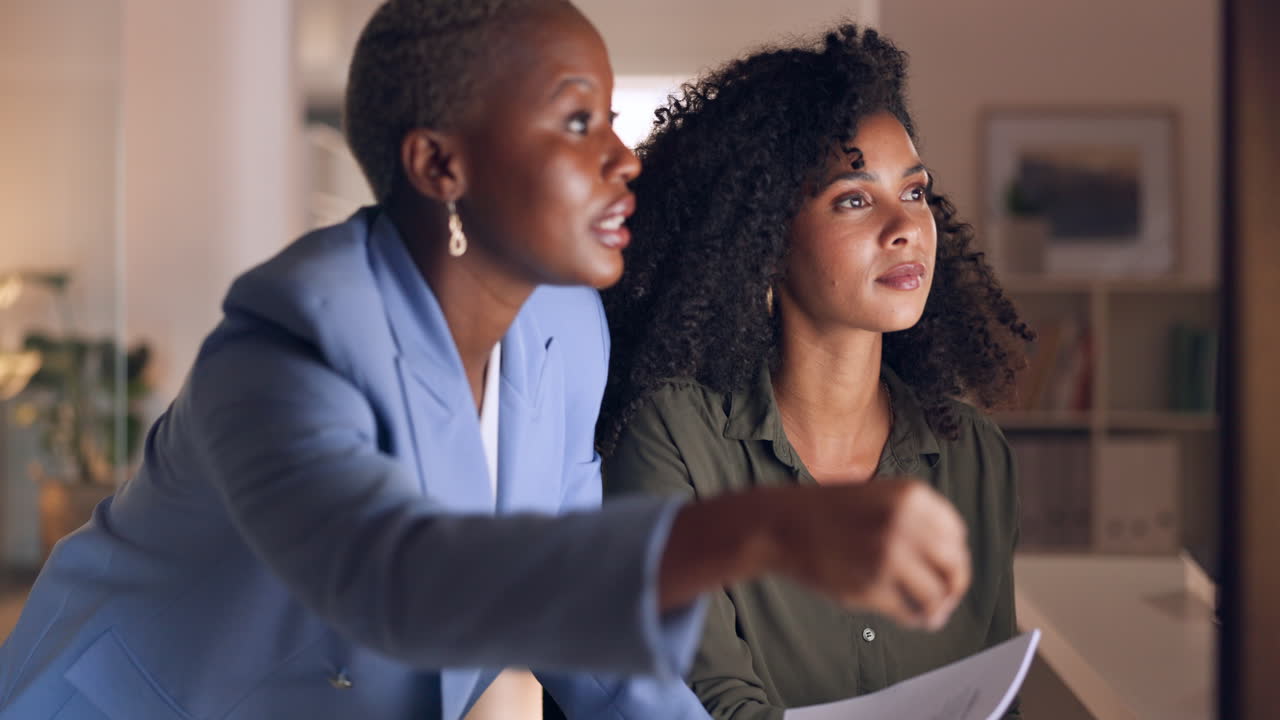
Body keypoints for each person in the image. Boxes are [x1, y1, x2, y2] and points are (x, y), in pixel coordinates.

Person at [0, 4, 973, 720]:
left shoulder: (562, 331)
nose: (623, 158)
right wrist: (760, 532)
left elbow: (589, 637)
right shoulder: (291, 342)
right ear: (440, 167)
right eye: (577, 121)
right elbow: (398, 583)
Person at [598, 24, 1034, 720]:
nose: (905, 227)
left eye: (915, 193)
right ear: (766, 243)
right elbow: (711, 705)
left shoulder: (974, 455)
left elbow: (992, 696)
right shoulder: (674, 436)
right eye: (854, 200)